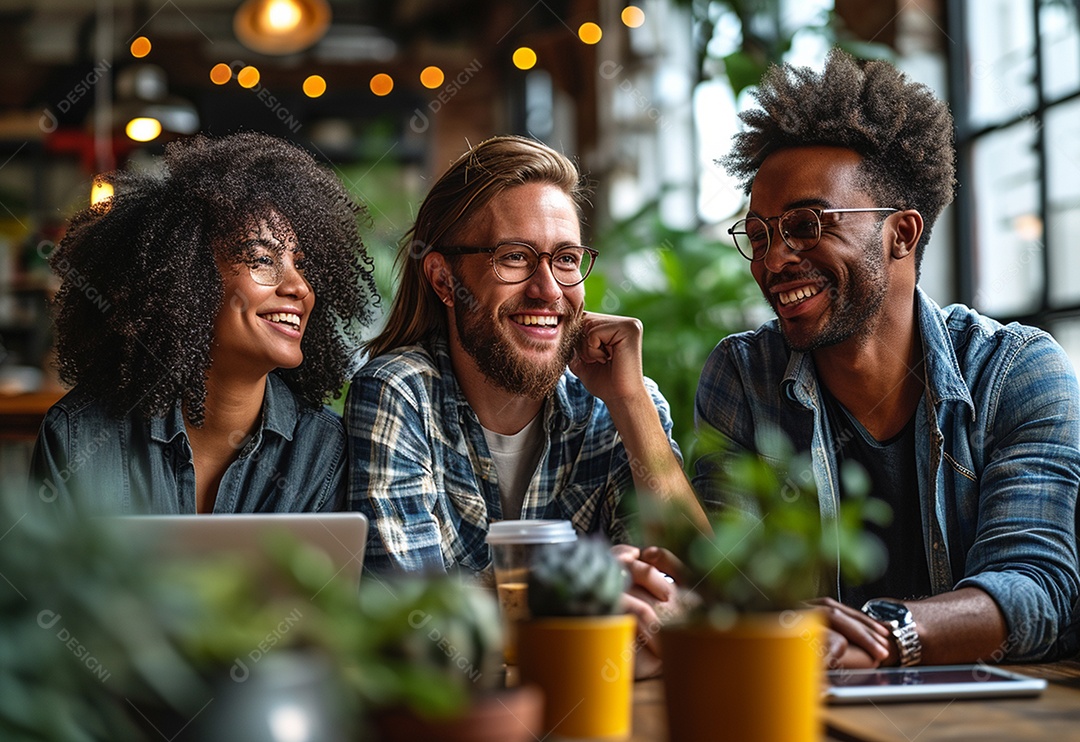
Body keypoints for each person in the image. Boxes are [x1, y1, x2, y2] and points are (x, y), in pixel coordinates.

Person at [695, 49, 1079, 667]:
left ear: (902, 233)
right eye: (761, 235)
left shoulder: (1018, 374)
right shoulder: (743, 377)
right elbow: (721, 580)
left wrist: (883, 636)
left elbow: (1036, 586)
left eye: (807, 225)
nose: (772, 263)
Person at [346, 135, 703, 669]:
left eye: (565, 259)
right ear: (445, 279)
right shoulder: (400, 395)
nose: (548, 290)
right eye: (514, 257)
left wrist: (630, 402)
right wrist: (563, 595)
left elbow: (697, 590)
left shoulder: (620, 404)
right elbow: (407, 619)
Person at [29, 132, 379, 515]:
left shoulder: (322, 449)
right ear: (187, 278)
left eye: (301, 265)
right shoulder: (79, 437)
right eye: (263, 260)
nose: (299, 287)